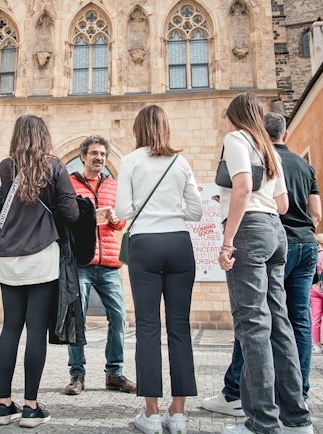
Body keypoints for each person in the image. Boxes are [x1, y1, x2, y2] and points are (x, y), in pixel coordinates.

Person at [202, 112, 322, 416]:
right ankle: (296, 407)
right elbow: (300, 209)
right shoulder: (293, 161)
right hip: (292, 237)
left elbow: (242, 189)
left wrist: (228, 241)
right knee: (290, 323)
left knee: (253, 324)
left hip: (256, 232)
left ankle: (256, 413)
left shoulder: (239, 141)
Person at [116, 105, 203, 434]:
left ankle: (151, 414)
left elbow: (124, 209)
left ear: (139, 129)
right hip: (179, 244)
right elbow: (195, 210)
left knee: (148, 328)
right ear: (165, 129)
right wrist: (172, 209)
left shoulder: (129, 161)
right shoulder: (180, 162)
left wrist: (146, 207)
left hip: (145, 245)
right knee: (180, 328)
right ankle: (177, 413)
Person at [0, 115, 79, 428]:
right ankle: (30, 406)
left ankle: (3, 405)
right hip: (41, 255)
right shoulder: (54, 168)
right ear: (43, 137)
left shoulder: (5, 166)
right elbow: (71, 212)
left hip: (7, 256)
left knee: (10, 328)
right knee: (35, 329)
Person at [63, 135, 136, 395]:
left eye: (103, 154)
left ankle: (114, 373)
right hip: (81, 261)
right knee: (77, 318)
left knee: (118, 318)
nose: (99, 158)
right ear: (83, 156)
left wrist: (116, 219)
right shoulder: (70, 184)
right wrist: (87, 220)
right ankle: (77, 375)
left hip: (109, 262)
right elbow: (65, 219)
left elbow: (121, 224)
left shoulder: (113, 185)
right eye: (94, 153)